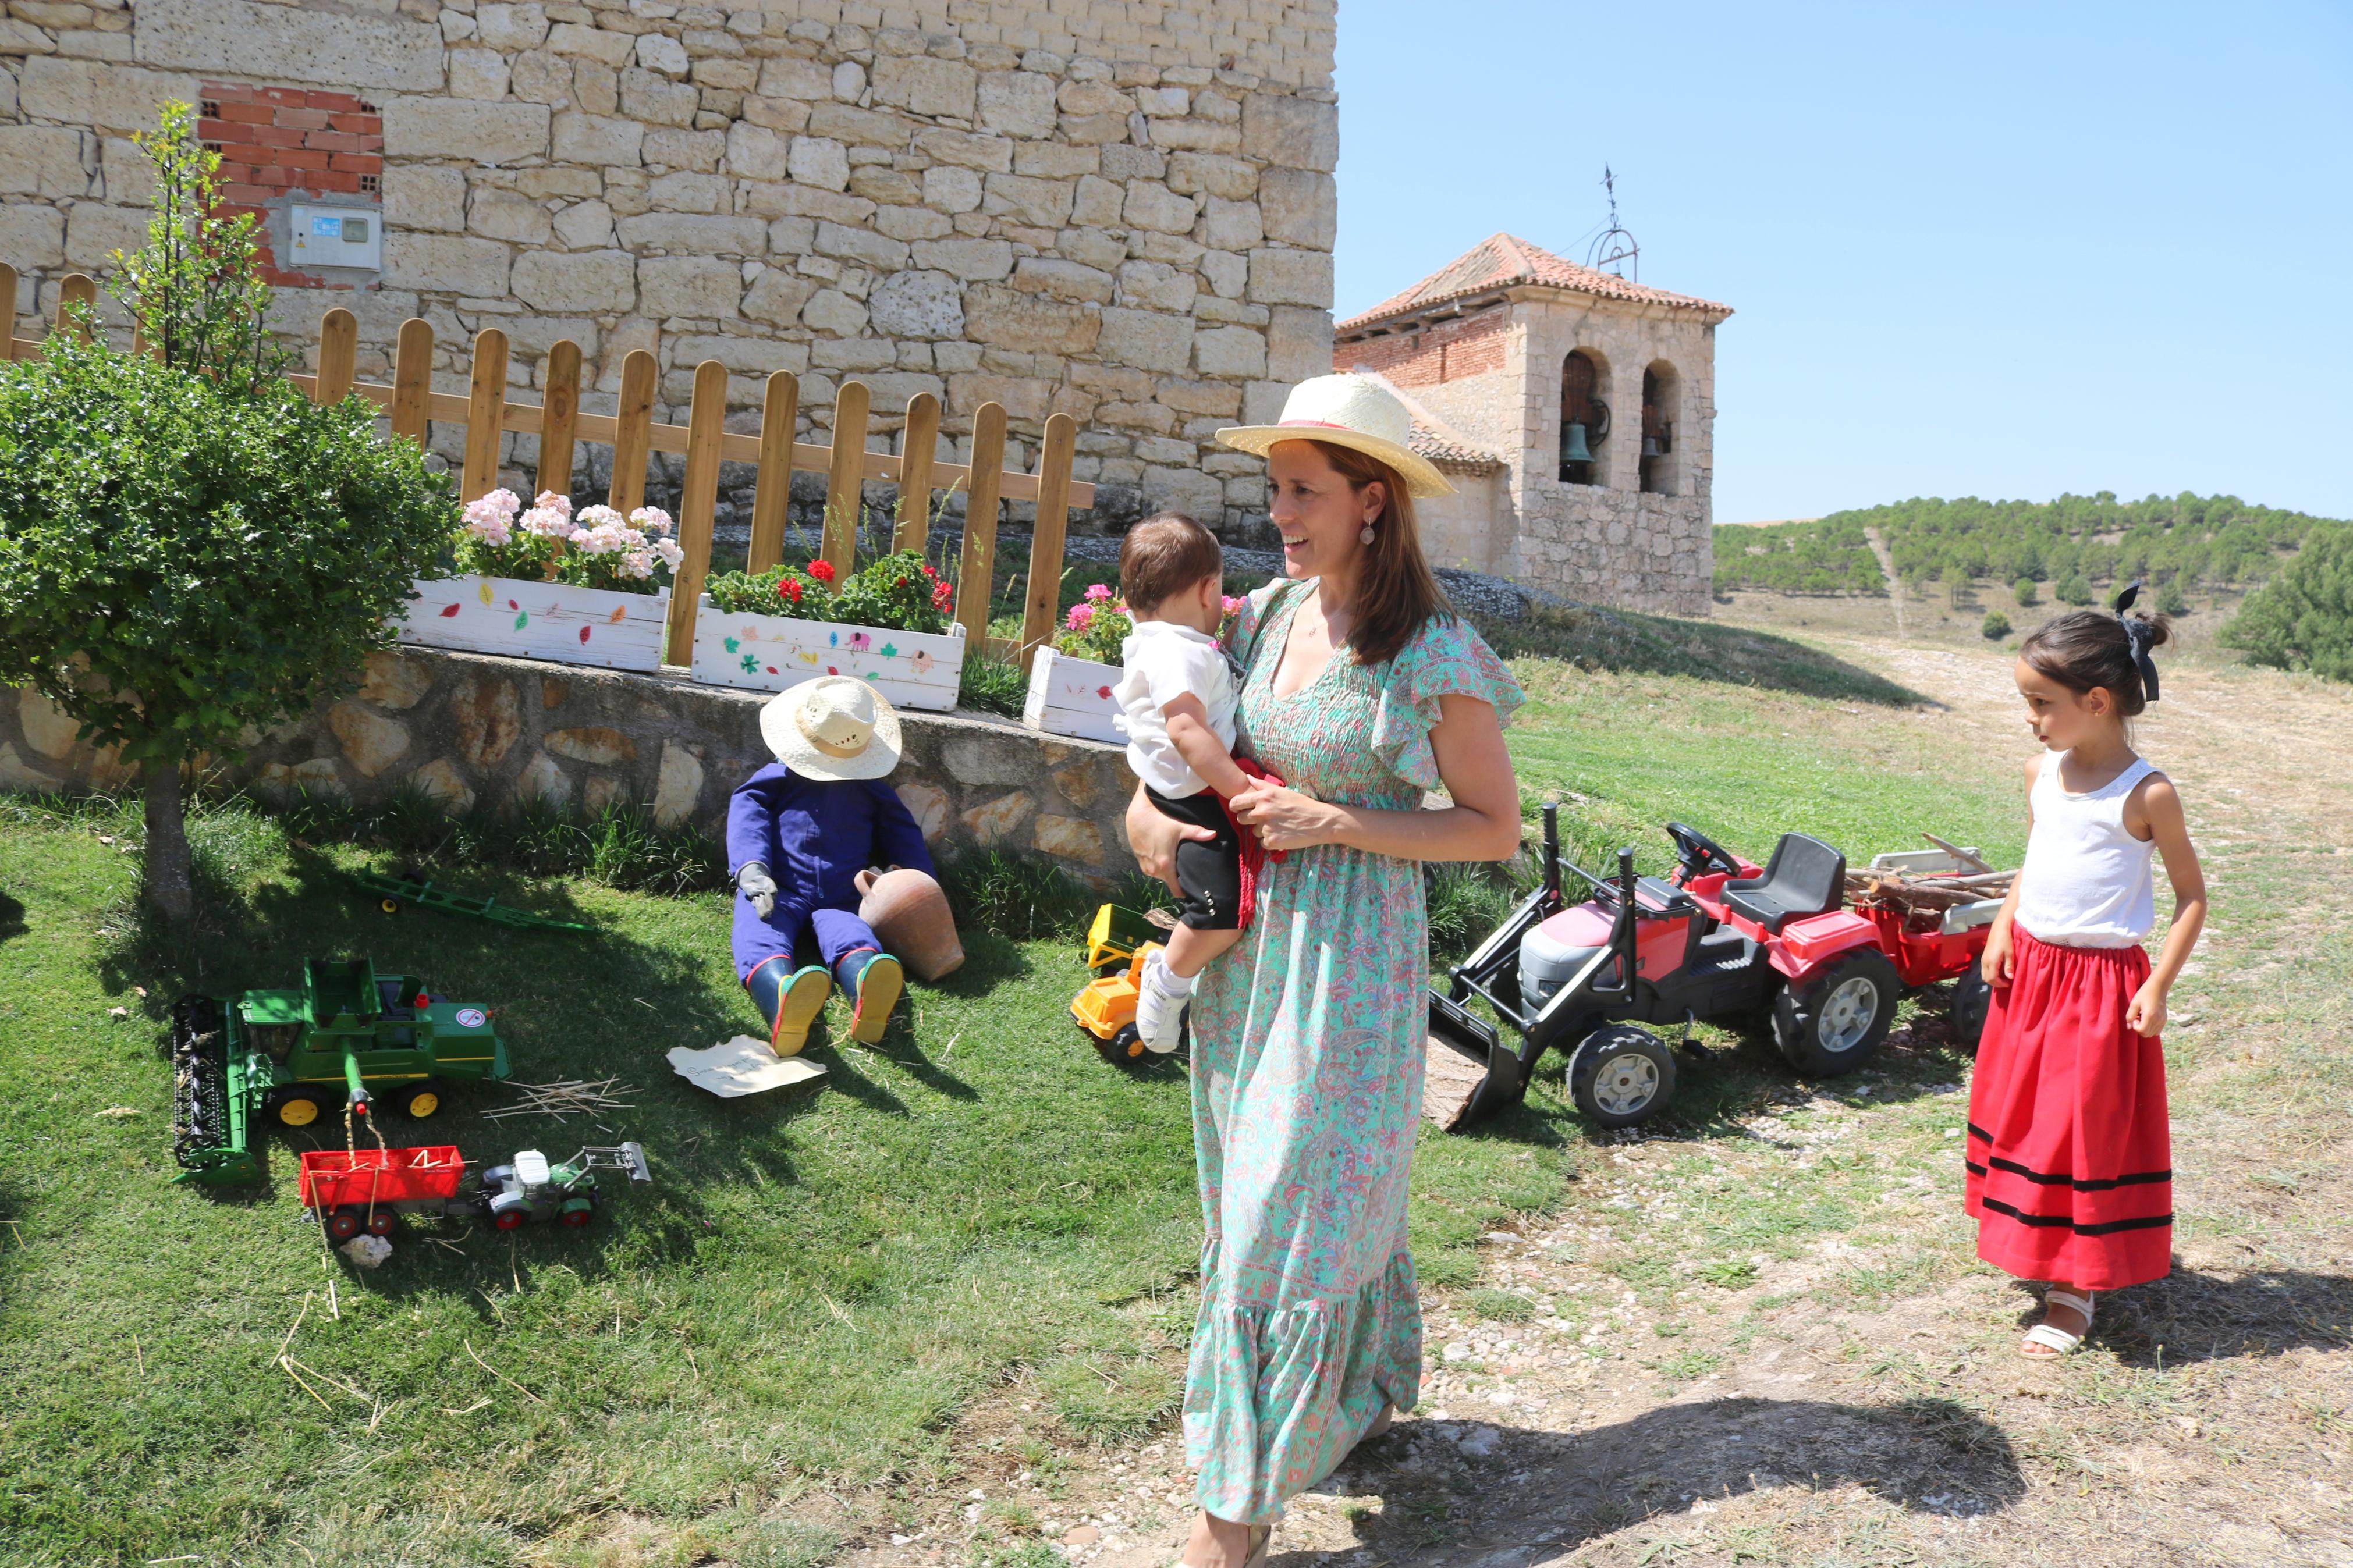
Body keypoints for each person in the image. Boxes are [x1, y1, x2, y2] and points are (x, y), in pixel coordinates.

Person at [1122, 374, 1524, 1567]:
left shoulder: (1431, 653)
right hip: (1253, 956)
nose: (1278, 512)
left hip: (1350, 961)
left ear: (1370, 501)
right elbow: (1180, 749)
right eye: (1273, 487)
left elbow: (1488, 827)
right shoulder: (1260, 617)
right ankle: (1348, 1401)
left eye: (1301, 490)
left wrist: (1339, 822)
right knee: (1259, 1198)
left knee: (1275, 1231)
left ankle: (1228, 1526)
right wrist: (1148, 826)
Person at [1969, 586, 2206, 1357]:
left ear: (2096, 699)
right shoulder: (2040, 774)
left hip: (2097, 988)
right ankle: (2036, 1243)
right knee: (2027, 1117)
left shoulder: (2146, 793)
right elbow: (2032, 866)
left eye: (2040, 703)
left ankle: (2074, 1289)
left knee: (2079, 1132)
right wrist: (2004, 926)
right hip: (2029, 978)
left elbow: (2190, 896)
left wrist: (2156, 983)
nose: (2030, 720)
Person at [1109, 512, 1252, 1053]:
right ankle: (1168, 979)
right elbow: (1186, 729)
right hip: (1196, 803)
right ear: (1207, 588)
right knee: (1220, 917)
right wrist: (1243, 791)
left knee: (1218, 910)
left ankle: (1171, 968)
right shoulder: (1180, 650)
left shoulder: (1154, 641)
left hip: (1177, 795)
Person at [727, 677, 932, 1054]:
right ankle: (782, 995)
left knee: (852, 935)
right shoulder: (778, 776)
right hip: (777, 888)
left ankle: (867, 984)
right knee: (758, 929)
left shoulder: (872, 789)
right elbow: (747, 812)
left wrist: (911, 881)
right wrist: (751, 869)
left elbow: (902, 834)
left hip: (844, 895)